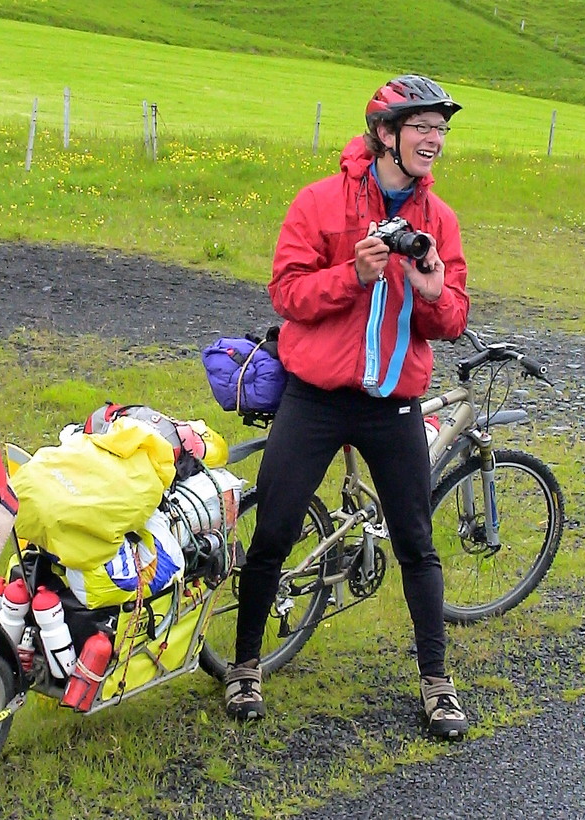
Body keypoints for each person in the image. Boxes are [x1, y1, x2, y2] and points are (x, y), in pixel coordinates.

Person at [223, 75, 470, 739]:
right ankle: (246, 666)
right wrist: (351, 276)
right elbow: (287, 295)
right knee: (273, 530)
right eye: (423, 127)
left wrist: (429, 291)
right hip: (316, 400)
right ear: (385, 133)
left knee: (418, 545)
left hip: (392, 405)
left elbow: (452, 319)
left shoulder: (436, 221)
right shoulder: (320, 202)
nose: (434, 140)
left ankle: (437, 686)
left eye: (441, 130)